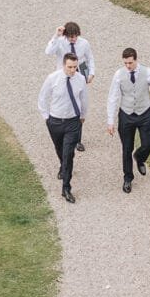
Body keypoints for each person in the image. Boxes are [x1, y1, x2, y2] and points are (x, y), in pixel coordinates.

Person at [106, 47, 150, 194]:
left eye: (130, 62)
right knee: (126, 148)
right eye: (125, 63)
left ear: (136, 59)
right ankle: (128, 178)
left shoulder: (147, 72)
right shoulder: (119, 75)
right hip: (126, 114)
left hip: (144, 113)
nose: (128, 66)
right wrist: (110, 121)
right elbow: (113, 97)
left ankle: (140, 156)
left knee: (149, 142)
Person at [38, 53, 88, 203]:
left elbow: (84, 99)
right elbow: (43, 97)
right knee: (60, 149)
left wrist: (83, 116)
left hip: (73, 121)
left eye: (75, 67)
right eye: (70, 67)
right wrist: (46, 117)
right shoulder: (53, 78)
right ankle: (63, 165)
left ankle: (66, 187)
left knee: (68, 154)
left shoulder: (80, 80)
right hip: (55, 121)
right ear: (63, 65)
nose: (73, 70)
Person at [45, 21, 96, 152]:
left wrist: (90, 73)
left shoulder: (84, 43)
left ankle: (77, 139)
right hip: (64, 75)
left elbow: (89, 58)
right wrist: (56, 36)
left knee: (78, 104)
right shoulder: (60, 42)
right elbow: (48, 51)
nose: (73, 39)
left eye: (75, 36)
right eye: (71, 36)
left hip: (80, 72)